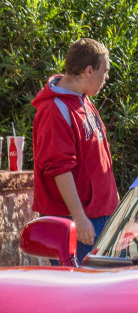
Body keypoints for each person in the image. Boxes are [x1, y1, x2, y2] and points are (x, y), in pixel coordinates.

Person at [31, 37, 118, 262]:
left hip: (99, 216)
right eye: (105, 70)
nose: (107, 77)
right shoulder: (54, 109)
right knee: (82, 293)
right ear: (89, 70)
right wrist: (79, 218)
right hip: (78, 222)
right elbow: (59, 169)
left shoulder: (83, 99)